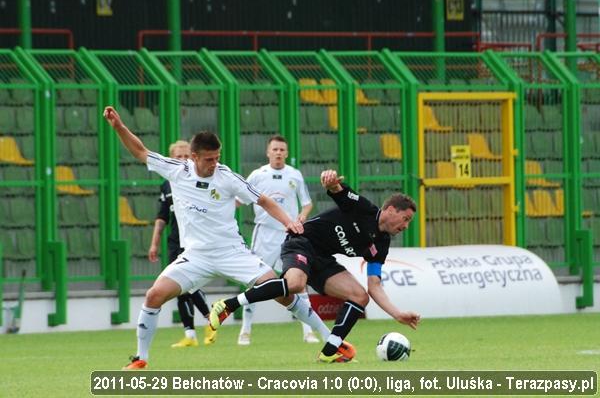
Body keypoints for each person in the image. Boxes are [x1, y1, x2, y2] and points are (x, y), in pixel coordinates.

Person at [102, 106, 332, 370]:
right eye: (209, 159)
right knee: (154, 295)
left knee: (281, 291)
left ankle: (331, 341)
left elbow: (264, 200)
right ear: (194, 156)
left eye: (217, 157)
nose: (215, 163)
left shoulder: (227, 177)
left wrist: (289, 222)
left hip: (232, 252)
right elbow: (141, 152)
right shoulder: (177, 170)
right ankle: (141, 358)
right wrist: (119, 126)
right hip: (195, 256)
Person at [210, 169, 421, 363]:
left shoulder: (382, 244)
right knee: (294, 284)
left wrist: (397, 314)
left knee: (360, 296)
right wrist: (329, 179)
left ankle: (330, 351)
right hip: (301, 242)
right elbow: (336, 188)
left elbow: (374, 285)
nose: (405, 226)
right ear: (391, 210)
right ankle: (228, 305)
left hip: (323, 259)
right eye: (406, 219)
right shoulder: (364, 209)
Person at [238, 135, 318, 346]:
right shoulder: (257, 175)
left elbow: (307, 203)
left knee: (298, 280)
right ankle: (245, 330)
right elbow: (240, 201)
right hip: (264, 234)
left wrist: (302, 215)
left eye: (282, 149)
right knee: (255, 279)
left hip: (289, 234)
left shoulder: (295, 175)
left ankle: (308, 330)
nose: (278, 153)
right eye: (275, 149)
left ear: (287, 153)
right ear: (268, 152)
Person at [148, 140, 217, 348]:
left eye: (186, 155)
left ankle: (209, 317)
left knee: (189, 284)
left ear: (193, 157)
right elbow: (162, 217)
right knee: (179, 288)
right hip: (174, 241)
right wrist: (154, 243)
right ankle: (190, 335)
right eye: (178, 156)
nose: (182, 160)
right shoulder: (167, 184)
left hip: (195, 241)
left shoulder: (203, 180)